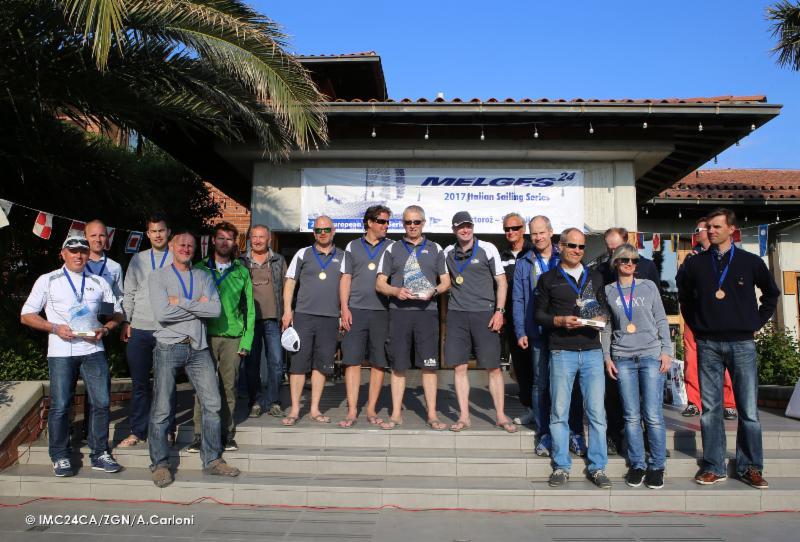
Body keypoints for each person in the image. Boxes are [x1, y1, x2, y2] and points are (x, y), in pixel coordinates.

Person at [678, 208, 780, 489]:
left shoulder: (750, 261)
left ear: (731, 231)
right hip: (708, 343)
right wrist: (698, 325)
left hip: (742, 343)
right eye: (708, 227)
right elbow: (684, 296)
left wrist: (756, 322)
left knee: (748, 410)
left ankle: (750, 467)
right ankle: (713, 465)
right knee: (710, 409)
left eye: (716, 227)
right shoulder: (696, 264)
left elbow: (772, 293)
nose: (710, 231)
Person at [21, 234, 123, 477]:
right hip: (61, 351)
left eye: (83, 251)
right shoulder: (48, 280)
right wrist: (55, 328)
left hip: (93, 349)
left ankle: (99, 453)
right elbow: (26, 315)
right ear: (63, 254)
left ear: (89, 255)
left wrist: (106, 328)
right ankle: (60, 456)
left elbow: (115, 315)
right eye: (73, 251)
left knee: (101, 402)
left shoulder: (99, 282)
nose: (79, 255)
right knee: (61, 405)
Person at [148, 230, 239, 487]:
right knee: (163, 408)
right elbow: (162, 313)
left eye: (190, 245)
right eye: (182, 244)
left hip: (198, 348)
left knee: (213, 403)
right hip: (168, 345)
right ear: (172, 247)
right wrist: (196, 305)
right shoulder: (158, 277)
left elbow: (214, 309)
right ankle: (160, 464)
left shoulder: (202, 276)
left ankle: (212, 459)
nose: (186, 248)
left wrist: (182, 302)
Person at [534, 228, 611, 488]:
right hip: (561, 351)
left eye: (581, 247)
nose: (577, 250)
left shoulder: (596, 277)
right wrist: (559, 320)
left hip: (591, 351)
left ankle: (598, 467)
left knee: (597, 414)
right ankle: (561, 466)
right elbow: (538, 315)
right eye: (572, 246)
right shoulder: (548, 279)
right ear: (560, 246)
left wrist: (603, 318)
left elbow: (604, 307)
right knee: (559, 412)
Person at [513, 215, 586, 457]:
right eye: (533, 233)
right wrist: (520, 329)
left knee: (569, 384)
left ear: (551, 232)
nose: (538, 237)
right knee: (540, 383)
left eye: (542, 232)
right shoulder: (525, 261)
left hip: (564, 332)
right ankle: (544, 433)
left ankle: (574, 432)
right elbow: (519, 299)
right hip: (537, 331)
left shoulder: (564, 255)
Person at [602, 244, 672, 489]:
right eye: (624, 261)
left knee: (652, 415)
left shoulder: (648, 286)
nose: (629, 264)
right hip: (623, 357)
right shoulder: (609, 291)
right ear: (616, 263)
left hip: (651, 354)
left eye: (633, 261)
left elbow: (661, 319)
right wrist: (607, 357)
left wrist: (667, 351)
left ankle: (657, 465)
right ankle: (638, 463)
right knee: (631, 416)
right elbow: (607, 328)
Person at [376, 205, 451, 430]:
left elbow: (446, 281)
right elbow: (380, 283)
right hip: (399, 314)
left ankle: (432, 415)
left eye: (416, 222)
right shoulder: (392, 249)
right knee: (398, 366)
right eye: (408, 222)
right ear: (403, 224)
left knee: (429, 366)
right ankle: (396, 414)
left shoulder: (435, 248)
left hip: (427, 314)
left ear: (423, 223)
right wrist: (395, 291)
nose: (412, 226)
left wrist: (434, 291)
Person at [443, 211, 515, 432]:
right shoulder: (446, 252)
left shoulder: (488, 248)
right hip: (457, 315)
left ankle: (501, 416)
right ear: (454, 230)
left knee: (493, 368)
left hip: (485, 314)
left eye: (468, 226)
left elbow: (502, 283)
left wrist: (499, 311)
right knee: (459, 367)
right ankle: (464, 416)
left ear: (473, 226)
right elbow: (444, 284)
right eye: (460, 227)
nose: (465, 230)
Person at [593, 226, 659, 456]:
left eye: (616, 248)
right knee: (613, 395)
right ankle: (614, 437)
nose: (613, 254)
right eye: (609, 249)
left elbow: (656, 309)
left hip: (647, 346)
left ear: (626, 242)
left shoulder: (647, 267)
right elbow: (601, 311)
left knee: (647, 399)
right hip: (617, 346)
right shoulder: (601, 270)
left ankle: (650, 442)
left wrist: (664, 347)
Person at [189, 222, 255, 453]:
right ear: (213, 241)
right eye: (221, 238)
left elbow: (250, 311)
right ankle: (199, 434)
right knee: (201, 388)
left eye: (229, 238)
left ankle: (228, 434)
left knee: (229, 388)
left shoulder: (241, 271)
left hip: (232, 339)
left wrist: (246, 341)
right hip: (203, 337)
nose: (224, 242)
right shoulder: (198, 269)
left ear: (235, 242)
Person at [119, 214, 175, 447]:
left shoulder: (179, 258)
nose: (158, 234)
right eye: (153, 231)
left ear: (168, 232)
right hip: (140, 328)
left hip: (168, 330)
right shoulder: (138, 260)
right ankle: (137, 431)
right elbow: (129, 293)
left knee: (166, 383)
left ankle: (167, 428)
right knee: (140, 383)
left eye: (161, 230)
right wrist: (126, 321)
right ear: (148, 234)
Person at [281, 216, 342, 426]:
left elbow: (347, 287)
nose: (322, 233)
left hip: (331, 317)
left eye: (326, 230)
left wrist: (344, 312)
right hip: (304, 316)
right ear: (313, 233)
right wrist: (287, 311)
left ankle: (315, 409)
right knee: (298, 363)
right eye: (318, 230)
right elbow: (290, 282)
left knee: (322, 365)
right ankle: (295, 409)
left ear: (333, 231)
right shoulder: (303, 253)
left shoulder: (343, 257)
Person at [338, 205, 393, 427]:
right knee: (352, 361)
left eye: (388, 222)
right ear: (369, 222)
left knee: (378, 362)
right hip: (356, 310)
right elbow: (345, 279)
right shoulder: (352, 246)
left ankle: (371, 410)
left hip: (383, 311)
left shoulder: (393, 247)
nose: (385, 226)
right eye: (381, 221)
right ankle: (352, 411)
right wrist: (344, 308)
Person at [680, 217, 737, 419]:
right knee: (691, 359)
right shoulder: (691, 258)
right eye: (700, 229)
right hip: (695, 316)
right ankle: (694, 402)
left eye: (700, 229)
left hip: (720, 317)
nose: (699, 233)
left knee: (725, 358)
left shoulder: (727, 256)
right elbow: (681, 286)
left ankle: (728, 403)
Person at [241, 224, 287, 419]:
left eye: (262, 237)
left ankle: (274, 401)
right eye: (254, 237)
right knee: (251, 364)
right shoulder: (241, 261)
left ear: (269, 239)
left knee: (276, 362)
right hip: (249, 321)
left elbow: (287, 287)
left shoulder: (278, 260)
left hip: (273, 319)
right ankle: (256, 401)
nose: (258, 240)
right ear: (250, 239)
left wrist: (287, 313)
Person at [498, 213, 534, 424]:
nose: (510, 232)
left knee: (539, 366)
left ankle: (545, 409)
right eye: (507, 229)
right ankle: (529, 407)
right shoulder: (501, 256)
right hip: (512, 321)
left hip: (535, 319)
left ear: (523, 229)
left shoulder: (534, 253)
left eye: (515, 228)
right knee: (520, 366)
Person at [84, 220, 124, 301]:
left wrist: (112, 312)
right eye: (93, 235)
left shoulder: (115, 267)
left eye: (102, 235)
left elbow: (119, 297)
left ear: (107, 237)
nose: (98, 239)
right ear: (85, 237)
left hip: (106, 311)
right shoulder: (77, 264)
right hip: (82, 312)